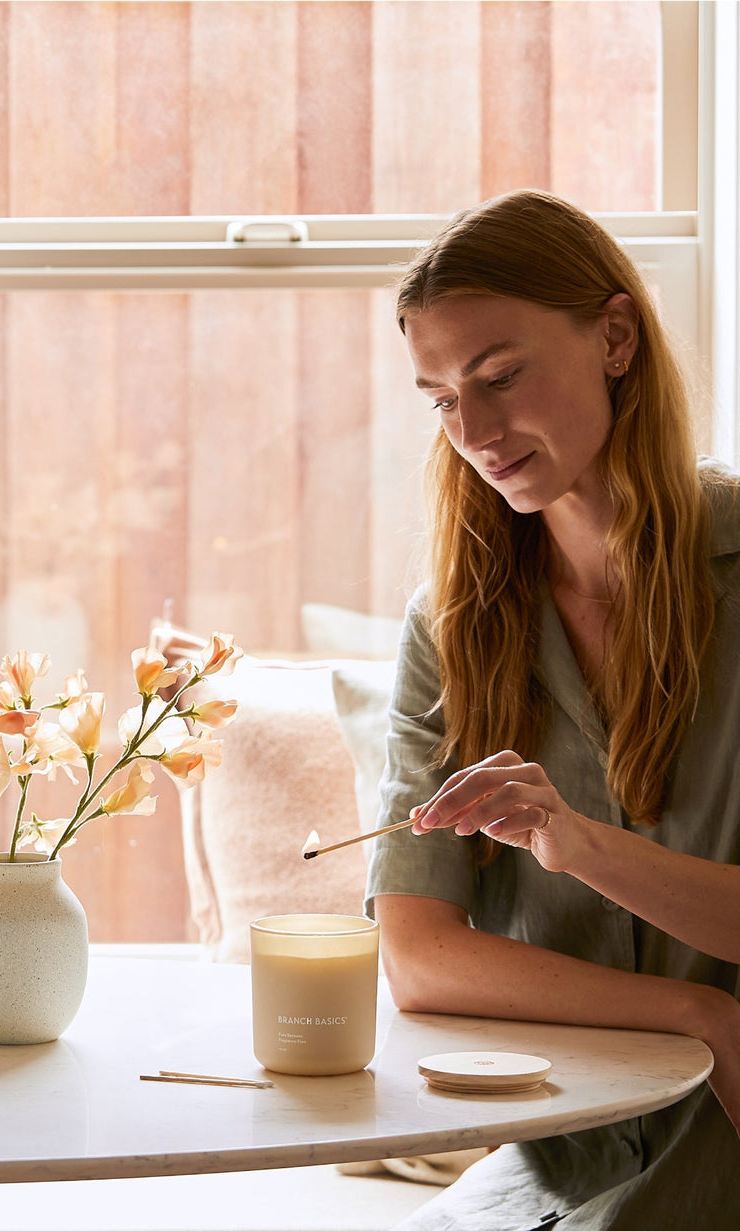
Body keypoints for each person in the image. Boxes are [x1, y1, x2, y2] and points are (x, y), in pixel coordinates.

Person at [368, 189, 740, 1229]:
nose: (475, 431)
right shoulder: (449, 628)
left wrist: (579, 846)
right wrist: (695, 1010)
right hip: (556, 1155)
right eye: (441, 399)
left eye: (499, 376)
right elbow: (420, 957)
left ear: (614, 337)